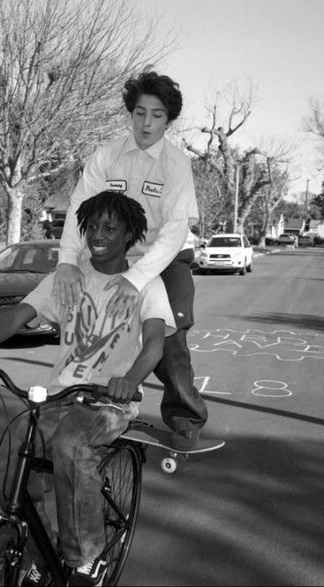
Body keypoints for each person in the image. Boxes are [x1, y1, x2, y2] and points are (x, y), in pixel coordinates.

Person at [0, 192, 175, 587]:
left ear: (130, 235)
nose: (98, 235)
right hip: (59, 396)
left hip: (109, 402)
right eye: (93, 227)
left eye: (110, 228)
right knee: (19, 437)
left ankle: (86, 557)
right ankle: (27, 538)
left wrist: (130, 379)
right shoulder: (67, 279)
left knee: (70, 446)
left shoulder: (145, 284)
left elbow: (155, 341)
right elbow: (17, 316)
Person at [53, 69, 208, 451]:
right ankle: (90, 404)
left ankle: (185, 419)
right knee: (95, 331)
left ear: (168, 119)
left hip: (165, 260)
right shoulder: (106, 156)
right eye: (140, 113)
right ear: (130, 113)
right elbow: (78, 209)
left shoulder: (176, 164)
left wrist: (137, 279)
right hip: (114, 255)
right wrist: (68, 261)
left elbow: (174, 229)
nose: (147, 123)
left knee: (170, 341)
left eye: (157, 115)